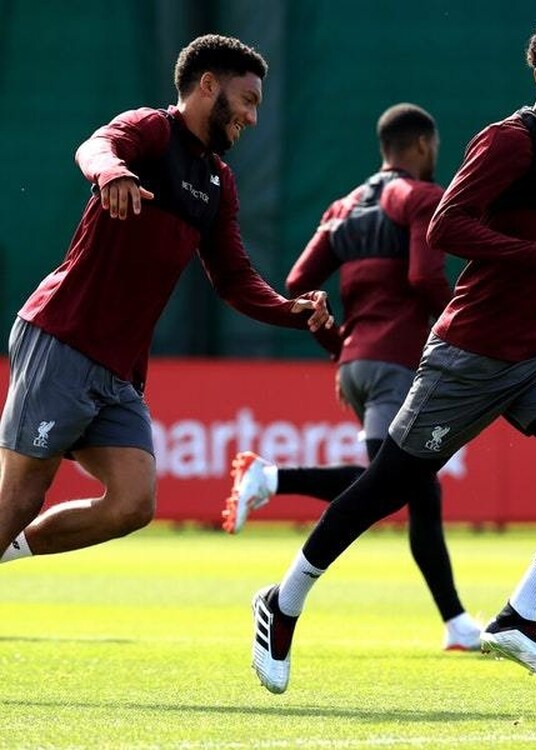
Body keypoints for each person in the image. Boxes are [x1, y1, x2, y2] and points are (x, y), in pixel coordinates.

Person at [250, 14, 536, 694]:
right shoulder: (508, 143)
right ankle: (283, 601)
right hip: (470, 353)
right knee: (386, 487)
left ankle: (519, 616)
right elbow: (450, 224)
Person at [0, 35, 335, 569]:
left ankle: (7, 547)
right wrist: (111, 173)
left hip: (118, 369)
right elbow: (96, 146)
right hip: (63, 337)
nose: (251, 118)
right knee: (18, 498)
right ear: (208, 86)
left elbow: (234, 278)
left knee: (133, 504)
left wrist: (286, 309)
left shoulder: (219, 181)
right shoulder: (153, 130)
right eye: (248, 101)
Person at [222, 103, 481, 652]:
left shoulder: (343, 208)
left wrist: (332, 336)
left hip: (355, 364)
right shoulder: (420, 198)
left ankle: (456, 623)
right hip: (396, 366)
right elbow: (422, 274)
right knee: (391, 483)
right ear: (422, 147)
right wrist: (468, 324)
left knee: (420, 490)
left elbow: (297, 281)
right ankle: (272, 479)